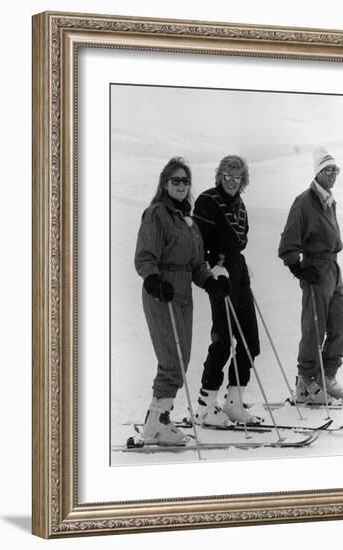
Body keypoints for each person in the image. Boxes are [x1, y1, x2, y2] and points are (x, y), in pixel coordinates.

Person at [135, 157, 232, 446]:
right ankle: (156, 423)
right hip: (161, 292)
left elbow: (196, 264)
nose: (180, 185)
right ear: (165, 184)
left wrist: (211, 281)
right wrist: (153, 280)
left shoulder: (187, 221)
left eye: (185, 181)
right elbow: (145, 256)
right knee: (171, 360)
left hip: (183, 294)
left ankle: (159, 419)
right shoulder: (156, 214)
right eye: (175, 180)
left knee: (181, 359)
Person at [278, 147, 343, 404]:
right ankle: (306, 382)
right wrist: (297, 267)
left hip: (333, 268)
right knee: (314, 327)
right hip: (316, 268)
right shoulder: (304, 202)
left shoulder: (330, 201)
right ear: (318, 172)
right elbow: (288, 241)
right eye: (328, 169)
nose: (333, 174)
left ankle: (327, 378)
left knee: (341, 326)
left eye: (335, 169)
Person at [192, 155, 261, 426]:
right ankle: (205, 405)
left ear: (244, 181)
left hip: (238, 272)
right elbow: (198, 240)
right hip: (219, 274)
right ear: (220, 175)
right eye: (227, 176)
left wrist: (239, 266)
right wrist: (212, 265)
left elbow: (240, 241)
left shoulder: (240, 205)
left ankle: (234, 401)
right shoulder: (208, 200)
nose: (232, 182)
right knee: (222, 340)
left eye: (237, 177)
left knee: (250, 342)